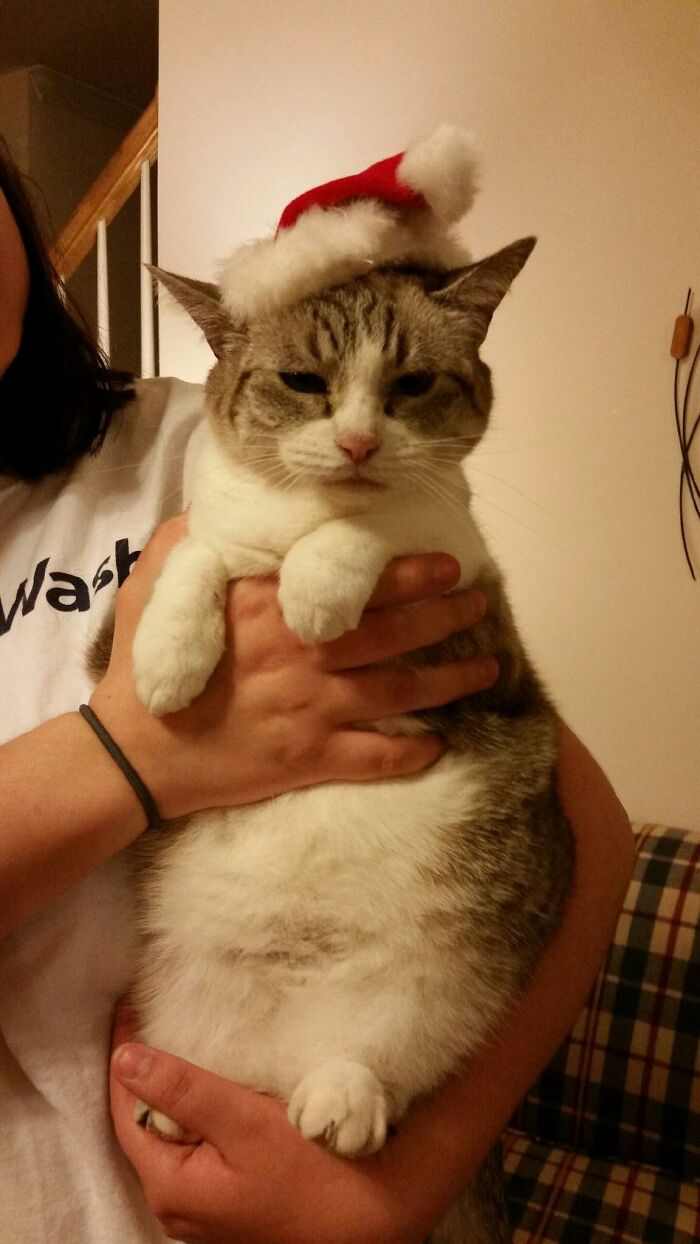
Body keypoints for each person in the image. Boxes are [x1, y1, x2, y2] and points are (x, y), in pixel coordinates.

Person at [0, 142, 634, 1244]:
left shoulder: (238, 433)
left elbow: (574, 825)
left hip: (361, 1106)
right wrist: (131, 754)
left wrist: (408, 1179)